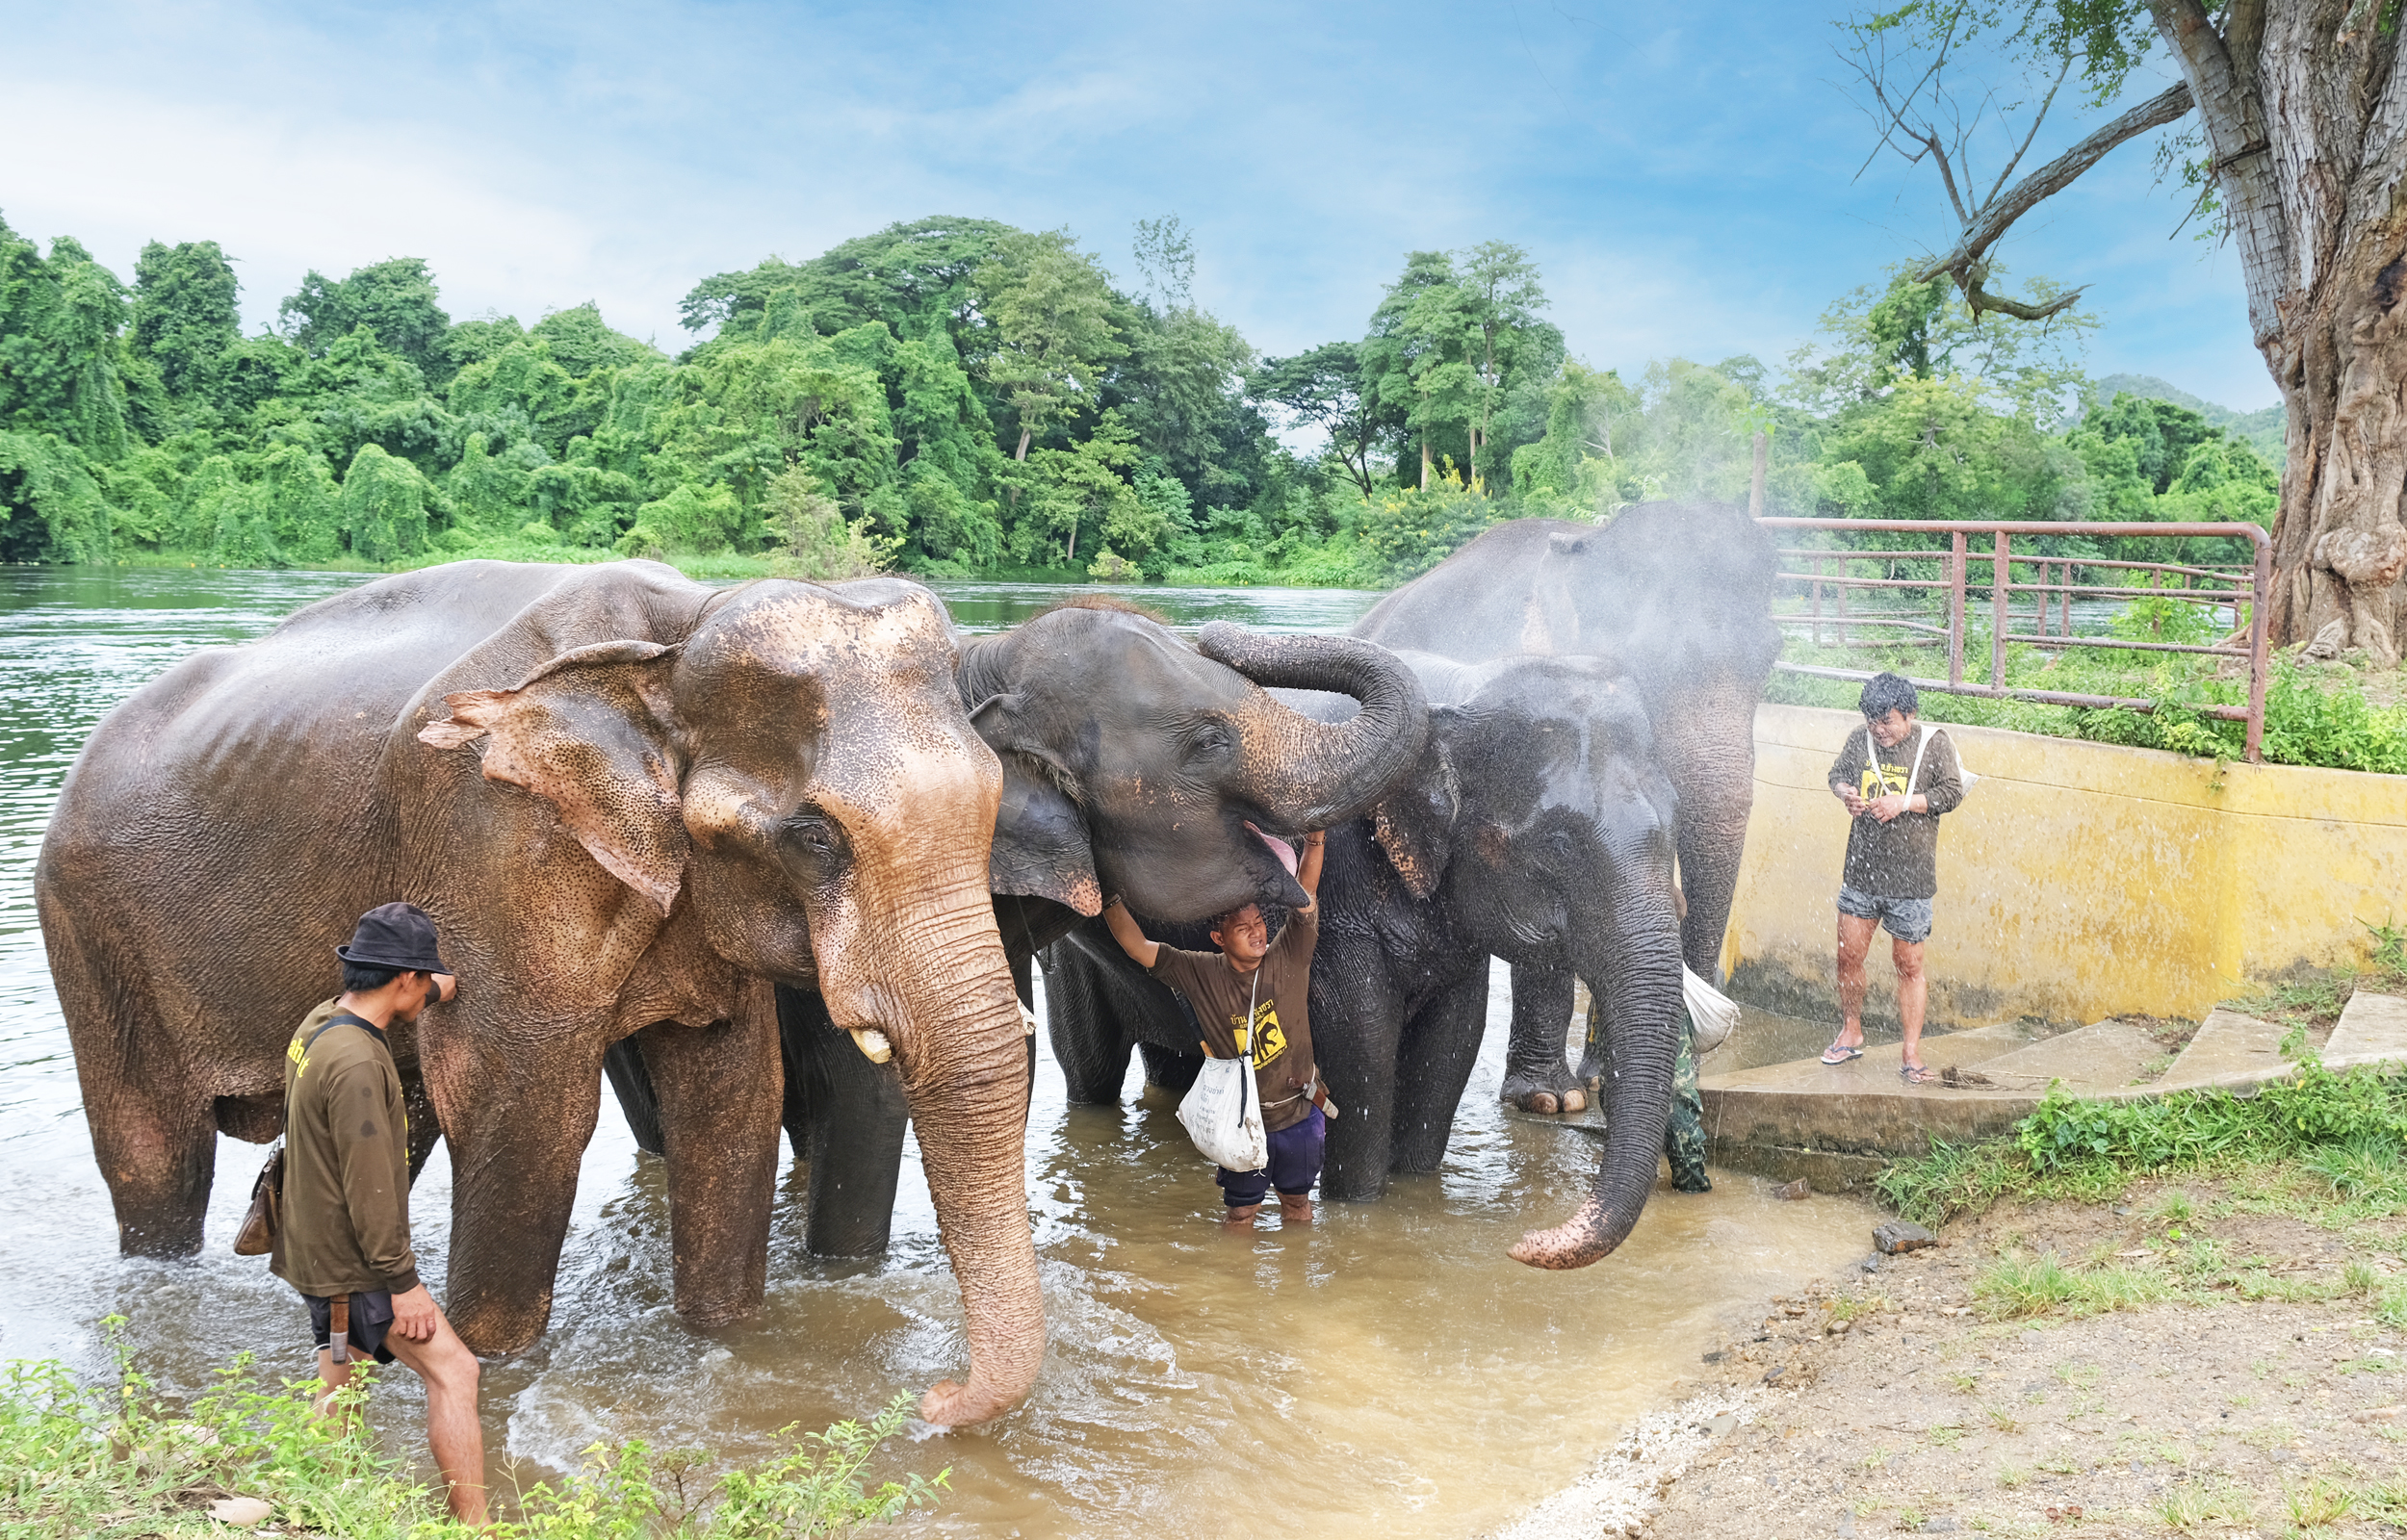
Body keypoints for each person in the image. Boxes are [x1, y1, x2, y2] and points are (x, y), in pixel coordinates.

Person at [271, 902, 486, 1525]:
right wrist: (405, 1286)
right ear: (401, 981)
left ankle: (314, 1508)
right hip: (354, 1265)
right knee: (455, 1372)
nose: (428, 986)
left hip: (311, 1246)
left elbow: (405, 992)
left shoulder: (318, 1026)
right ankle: (477, 1528)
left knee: (343, 1385)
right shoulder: (362, 1067)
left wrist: (437, 988)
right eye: (423, 977)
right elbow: (372, 1193)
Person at [1103, 832, 1331, 1229]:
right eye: (1243, 929)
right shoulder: (1199, 972)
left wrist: (1315, 841)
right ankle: (1239, 1286)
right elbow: (1138, 946)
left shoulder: (1288, 955)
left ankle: (1296, 1287)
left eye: (1259, 922)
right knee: (1241, 1215)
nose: (1258, 932)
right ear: (1218, 939)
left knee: (1298, 1206)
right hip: (1241, 1123)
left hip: (1298, 1115)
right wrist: (1108, 896)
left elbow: (1306, 893)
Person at [1822, 673, 1963, 1085]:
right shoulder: (1858, 740)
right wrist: (1846, 793)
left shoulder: (1933, 743)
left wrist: (1905, 802)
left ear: (1910, 714)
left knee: (1909, 965)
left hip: (1911, 880)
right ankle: (1851, 1030)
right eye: (1873, 722)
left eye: (1888, 722)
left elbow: (1951, 793)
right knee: (1848, 956)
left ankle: (1911, 1053)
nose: (1879, 731)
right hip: (1861, 873)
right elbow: (1836, 775)